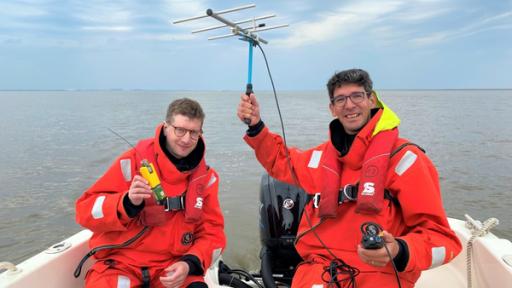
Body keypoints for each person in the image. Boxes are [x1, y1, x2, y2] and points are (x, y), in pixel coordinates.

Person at [237, 68, 462, 288]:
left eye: (357, 96)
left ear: (372, 100)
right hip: (320, 271)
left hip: (379, 274)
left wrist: (399, 250)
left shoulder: (407, 161)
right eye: (341, 99)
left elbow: (443, 239)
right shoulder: (320, 158)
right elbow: (279, 161)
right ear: (332, 109)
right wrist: (256, 126)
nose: (350, 105)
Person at [76, 98, 225, 288]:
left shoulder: (207, 179)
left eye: (194, 132)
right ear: (165, 127)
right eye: (180, 130)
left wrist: (189, 264)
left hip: (173, 268)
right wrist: (126, 202)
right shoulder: (130, 162)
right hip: (122, 265)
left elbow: (213, 233)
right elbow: (84, 211)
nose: (186, 139)